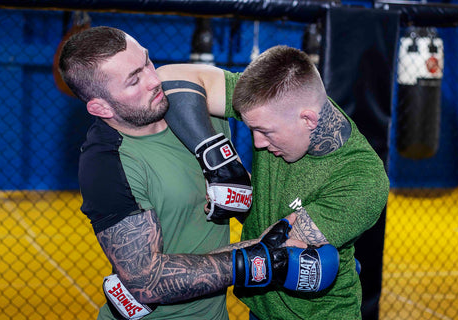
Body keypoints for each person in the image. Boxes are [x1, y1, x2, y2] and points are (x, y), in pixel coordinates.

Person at [58, 27, 339, 320]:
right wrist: (262, 262)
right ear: (100, 107)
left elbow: (293, 104)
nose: (154, 80)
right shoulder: (106, 165)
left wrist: (284, 234)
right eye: (134, 81)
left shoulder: (198, 106)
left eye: (147, 62)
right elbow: (145, 280)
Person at [163, 45, 390, 319]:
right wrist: (219, 160)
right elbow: (168, 78)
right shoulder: (277, 101)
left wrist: (161, 278)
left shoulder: (361, 180)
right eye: (253, 130)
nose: (258, 143)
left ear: (308, 119)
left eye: (265, 132)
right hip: (261, 310)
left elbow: (270, 253)